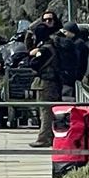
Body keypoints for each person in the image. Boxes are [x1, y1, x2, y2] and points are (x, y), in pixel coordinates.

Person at [28, 10, 63, 147]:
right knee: (47, 111)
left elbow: (34, 64)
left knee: (46, 112)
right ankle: (50, 136)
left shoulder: (45, 48)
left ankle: (44, 138)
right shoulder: (52, 44)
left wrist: (33, 55)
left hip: (46, 83)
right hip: (51, 82)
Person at [57, 22, 89, 100]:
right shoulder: (79, 43)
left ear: (72, 32)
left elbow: (78, 61)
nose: (63, 34)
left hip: (71, 78)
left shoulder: (78, 44)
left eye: (65, 32)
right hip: (73, 77)